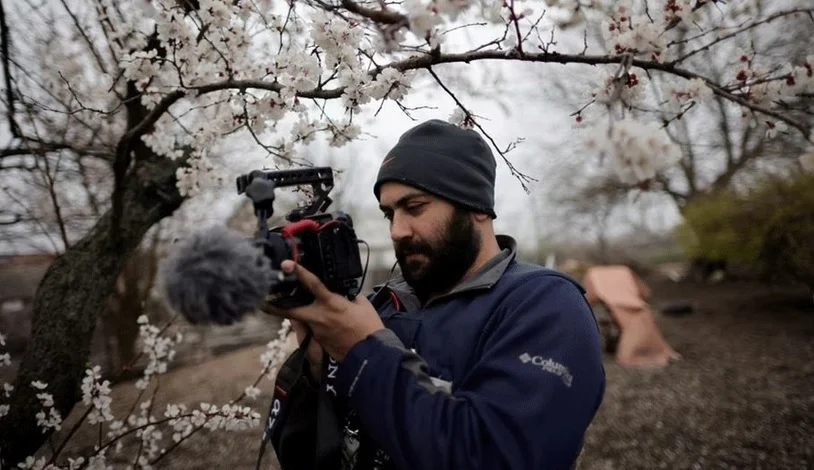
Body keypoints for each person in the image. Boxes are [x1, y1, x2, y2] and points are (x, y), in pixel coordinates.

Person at [263, 119, 606, 470]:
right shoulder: (381, 307)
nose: (396, 231)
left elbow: (495, 455)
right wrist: (317, 370)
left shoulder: (546, 307)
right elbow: (305, 456)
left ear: (477, 207)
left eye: (414, 208)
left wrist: (364, 352)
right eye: (389, 214)